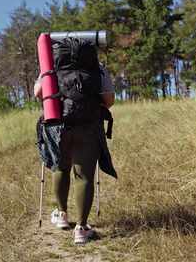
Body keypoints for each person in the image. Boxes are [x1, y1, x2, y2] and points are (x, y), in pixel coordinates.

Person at [34, 40, 116, 245]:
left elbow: (38, 93)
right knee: (84, 176)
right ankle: (81, 228)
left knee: (60, 168)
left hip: (57, 126)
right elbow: (109, 100)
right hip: (88, 126)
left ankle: (61, 215)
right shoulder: (98, 68)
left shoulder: (50, 65)